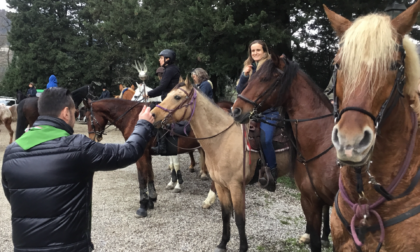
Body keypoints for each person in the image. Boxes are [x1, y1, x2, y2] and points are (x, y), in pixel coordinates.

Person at [2, 87, 154, 252]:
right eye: (75, 113)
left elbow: (14, 196)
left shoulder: (11, 152)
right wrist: (143, 124)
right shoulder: (77, 147)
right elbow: (128, 153)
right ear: (66, 113)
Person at [236, 40, 279, 192]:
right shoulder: (250, 68)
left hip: (270, 111)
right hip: (254, 112)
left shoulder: (270, 67)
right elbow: (241, 91)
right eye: (252, 51)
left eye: (258, 50)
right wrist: (244, 75)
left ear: (265, 51)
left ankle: (273, 170)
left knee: (265, 139)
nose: (255, 53)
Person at [146, 50, 180, 154]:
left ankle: (162, 146)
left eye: (161, 57)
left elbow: (162, 87)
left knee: (154, 115)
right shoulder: (171, 69)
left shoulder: (169, 70)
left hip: (169, 101)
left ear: (167, 59)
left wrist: (148, 94)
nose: (159, 59)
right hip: (168, 99)